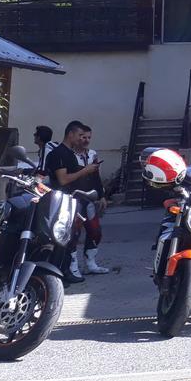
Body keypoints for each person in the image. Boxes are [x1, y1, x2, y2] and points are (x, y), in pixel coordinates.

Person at [45, 120, 102, 282]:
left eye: (86, 136)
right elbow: (63, 180)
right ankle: (68, 269)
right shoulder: (59, 154)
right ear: (70, 134)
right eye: (79, 135)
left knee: (79, 233)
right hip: (63, 201)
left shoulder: (71, 154)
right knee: (67, 236)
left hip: (76, 200)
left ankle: (70, 269)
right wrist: (85, 170)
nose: (81, 139)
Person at [74, 125, 110, 275]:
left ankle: (91, 263)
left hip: (89, 198)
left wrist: (101, 196)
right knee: (73, 233)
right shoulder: (69, 155)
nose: (86, 140)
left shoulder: (92, 154)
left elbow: (96, 177)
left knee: (95, 230)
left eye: (88, 137)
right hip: (74, 199)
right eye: (83, 137)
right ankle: (72, 266)